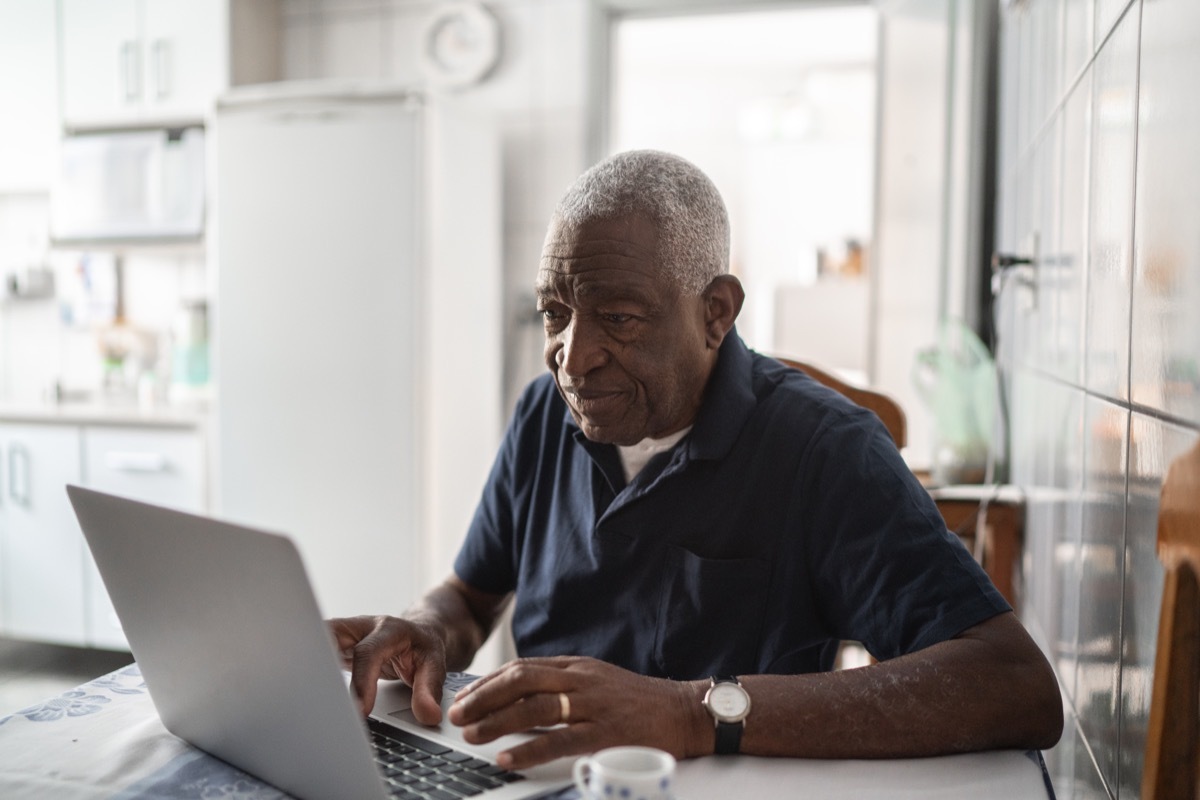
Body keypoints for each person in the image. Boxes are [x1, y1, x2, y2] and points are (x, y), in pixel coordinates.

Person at [330, 150, 1063, 771]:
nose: (573, 358)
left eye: (617, 318)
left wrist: (691, 712)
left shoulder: (824, 450)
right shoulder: (542, 415)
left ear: (716, 312)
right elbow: (471, 596)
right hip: (538, 779)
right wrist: (426, 627)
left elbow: (1014, 684)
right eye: (555, 312)